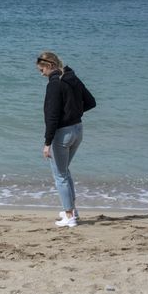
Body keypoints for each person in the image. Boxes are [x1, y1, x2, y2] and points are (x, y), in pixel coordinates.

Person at [36, 52, 96, 227]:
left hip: (62, 135)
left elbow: (52, 116)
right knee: (64, 171)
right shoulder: (72, 77)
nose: (42, 74)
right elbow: (91, 102)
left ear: (50, 65)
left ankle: (69, 217)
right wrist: (73, 113)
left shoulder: (54, 85)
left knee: (60, 175)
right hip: (78, 130)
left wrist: (47, 143)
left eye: (42, 70)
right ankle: (72, 210)